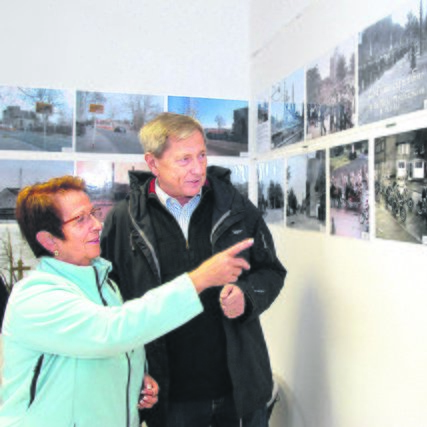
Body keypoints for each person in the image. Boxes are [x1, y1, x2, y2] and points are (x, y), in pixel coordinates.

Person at [0, 176, 253, 426]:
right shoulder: (36, 297)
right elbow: (111, 331)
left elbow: (104, 349)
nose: (97, 224)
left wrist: (133, 378)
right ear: (49, 240)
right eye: (81, 219)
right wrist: (198, 279)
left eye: (93, 212)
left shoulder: (104, 285)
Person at [100, 113, 286, 427]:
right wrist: (131, 368)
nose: (198, 169)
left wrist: (247, 295)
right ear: (153, 162)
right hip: (169, 398)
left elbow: (270, 272)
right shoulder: (123, 220)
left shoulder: (236, 209)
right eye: (184, 159)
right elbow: (110, 304)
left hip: (238, 389)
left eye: (201, 155)